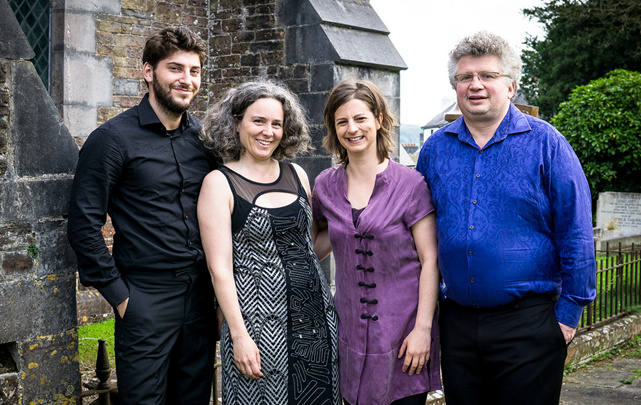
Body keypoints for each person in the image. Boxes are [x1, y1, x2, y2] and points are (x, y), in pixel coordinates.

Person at [416, 31, 597, 405]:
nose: (475, 85)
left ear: (511, 86)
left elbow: (576, 232)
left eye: (487, 76)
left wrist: (566, 317)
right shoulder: (435, 150)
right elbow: (421, 228)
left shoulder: (547, 144)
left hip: (528, 325)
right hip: (458, 324)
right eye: (465, 77)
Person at [67, 27, 218, 405]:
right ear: (149, 72)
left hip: (200, 297)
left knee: (194, 399)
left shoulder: (205, 139)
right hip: (145, 297)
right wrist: (121, 299)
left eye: (194, 71)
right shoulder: (112, 139)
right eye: (175, 69)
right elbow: (83, 225)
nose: (187, 80)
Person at [197, 80, 341, 405]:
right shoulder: (219, 184)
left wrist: (352, 217)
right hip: (259, 329)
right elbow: (219, 270)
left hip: (317, 320)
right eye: (258, 121)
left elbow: (308, 249)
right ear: (236, 123)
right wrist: (239, 336)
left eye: (276, 123)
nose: (268, 131)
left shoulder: (297, 175)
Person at [312, 80, 441, 405]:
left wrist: (422, 329)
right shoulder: (325, 186)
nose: (351, 129)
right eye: (342, 121)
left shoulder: (411, 185)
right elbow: (319, 243)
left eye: (360, 118)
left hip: (404, 337)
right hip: (349, 334)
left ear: (379, 119)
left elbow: (430, 260)